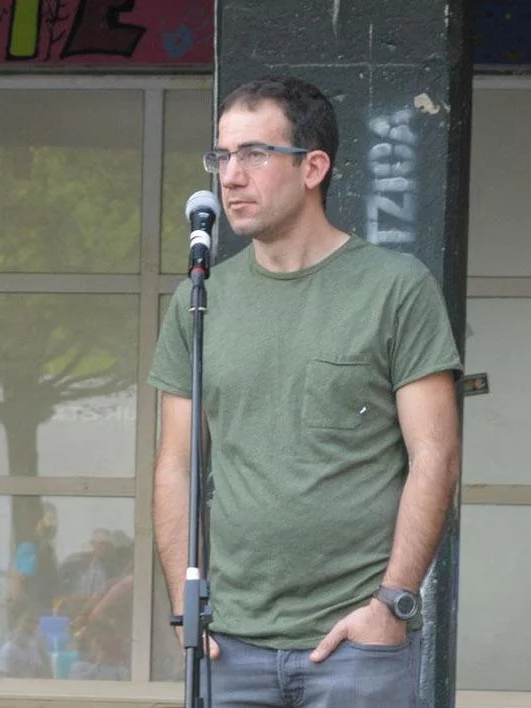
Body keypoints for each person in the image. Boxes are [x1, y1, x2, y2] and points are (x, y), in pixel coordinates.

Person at [148, 75, 460, 707]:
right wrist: (186, 605)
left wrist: (392, 603)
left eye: (254, 154)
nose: (230, 177)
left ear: (313, 167)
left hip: (356, 645)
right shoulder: (200, 299)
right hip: (227, 643)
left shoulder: (396, 288)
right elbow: (176, 464)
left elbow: (436, 456)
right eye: (221, 156)